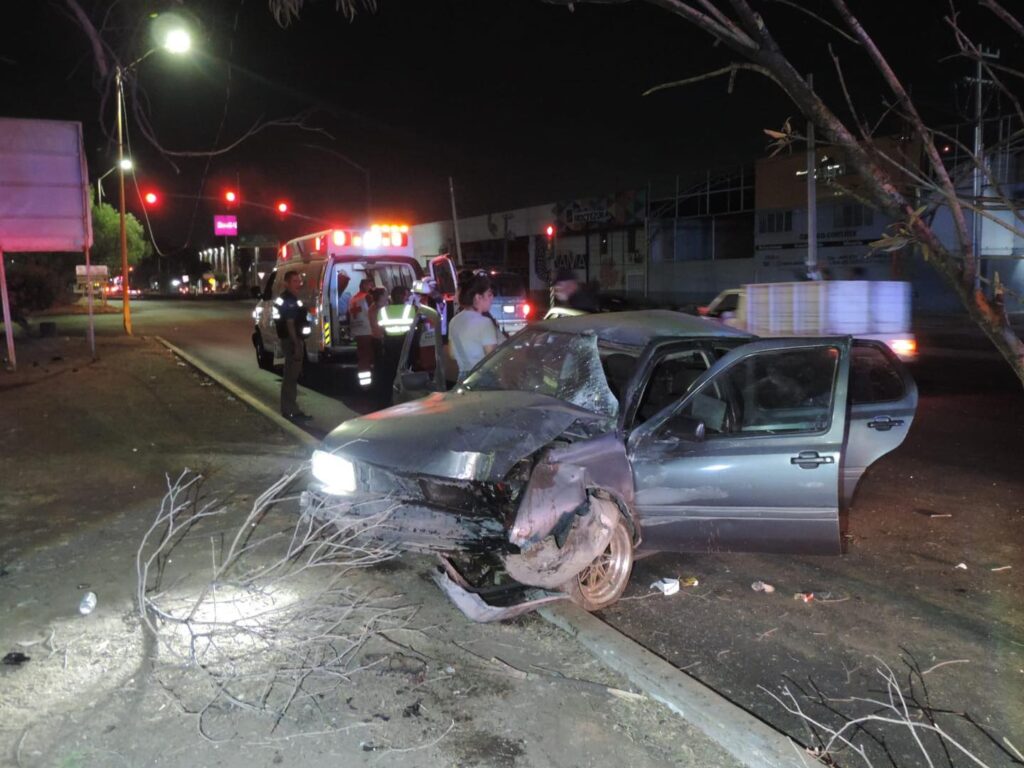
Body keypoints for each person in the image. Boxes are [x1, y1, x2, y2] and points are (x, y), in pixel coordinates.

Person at [448, 274, 502, 382]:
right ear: (478, 297)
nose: (492, 298)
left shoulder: (454, 321)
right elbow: (492, 357)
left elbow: (452, 354)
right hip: (483, 378)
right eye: (489, 294)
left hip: (463, 378)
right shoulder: (484, 323)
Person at [274, 270, 311, 420]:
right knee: (291, 376)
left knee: (290, 375)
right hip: (292, 341)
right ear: (286, 283)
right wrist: (296, 344)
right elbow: (290, 323)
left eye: (299, 281)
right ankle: (291, 410)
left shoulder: (286, 298)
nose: (298, 284)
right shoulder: (289, 300)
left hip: (290, 340)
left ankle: (290, 408)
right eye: (294, 281)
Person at [349, 278, 376, 389]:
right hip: (367, 331)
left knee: (362, 359)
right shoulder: (367, 297)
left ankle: (364, 384)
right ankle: (368, 385)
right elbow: (375, 310)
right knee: (368, 358)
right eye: (370, 285)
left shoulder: (353, 299)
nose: (372, 288)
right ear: (364, 285)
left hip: (357, 331)